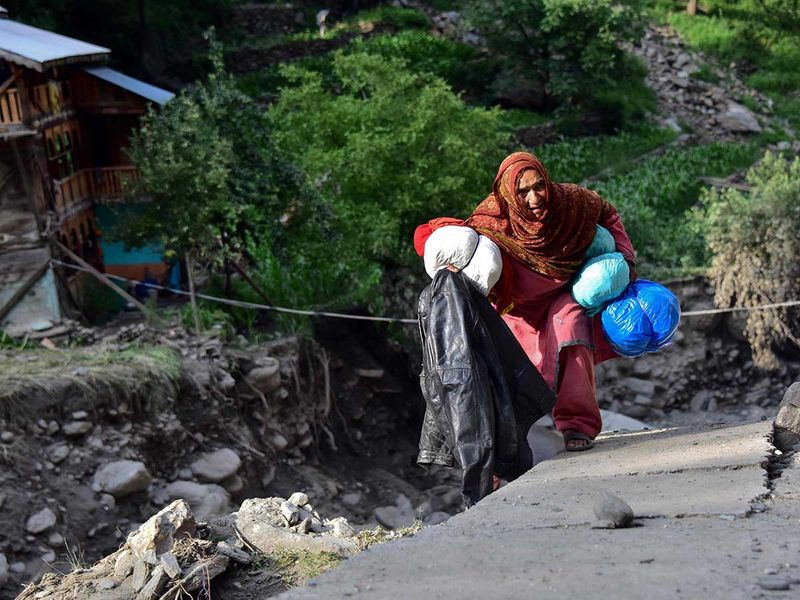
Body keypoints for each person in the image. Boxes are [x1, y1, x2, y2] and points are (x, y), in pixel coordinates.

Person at [416, 152, 636, 451]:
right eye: (523, 191)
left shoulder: (572, 202)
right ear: (508, 194)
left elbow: (607, 213)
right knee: (502, 367)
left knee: (571, 335)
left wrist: (625, 258)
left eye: (539, 186)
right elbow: (460, 244)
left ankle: (577, 426)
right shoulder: (491, 218)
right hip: (513, 306)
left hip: (563, 294)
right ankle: (503, 447)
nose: (534, 198)